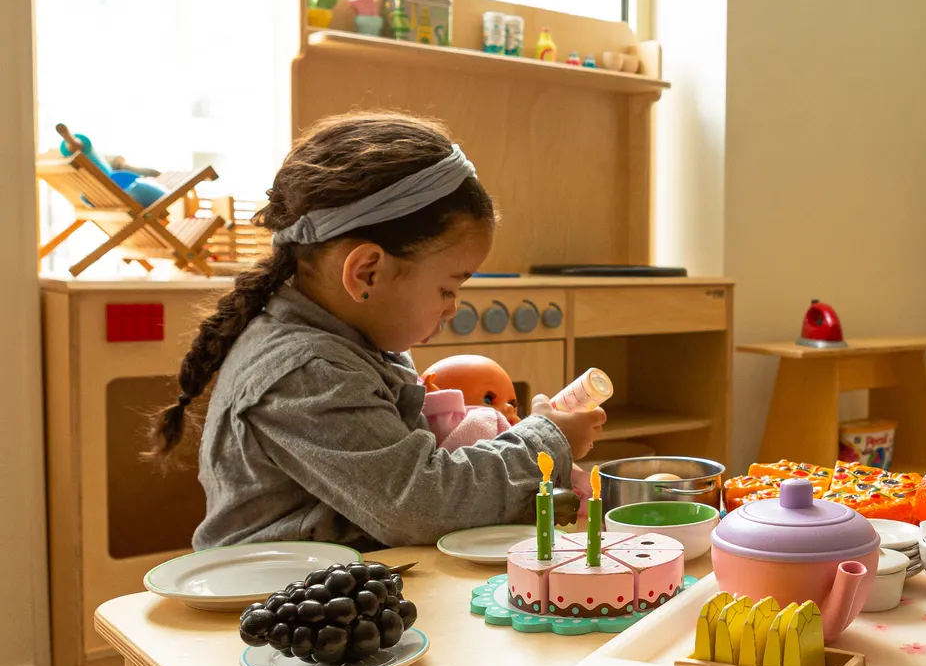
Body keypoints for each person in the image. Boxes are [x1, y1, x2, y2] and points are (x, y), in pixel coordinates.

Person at [148, 113, 605, 550]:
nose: (452, 307)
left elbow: (409, 475)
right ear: (366, 272)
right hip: (278, 608)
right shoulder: (309, 373)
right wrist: (547, 442)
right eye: (448, 288)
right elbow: (421, 503)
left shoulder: (352, 342)